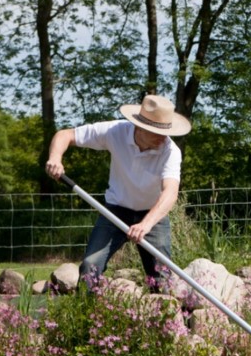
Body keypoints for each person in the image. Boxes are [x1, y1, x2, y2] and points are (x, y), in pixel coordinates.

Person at [45, 94, 192, 292]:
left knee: (162, 280)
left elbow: (170, 193)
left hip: (152, 216)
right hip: (115, 212)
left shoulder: (170, 151)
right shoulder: (115, 131)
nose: (163, 137)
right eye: (157, 132)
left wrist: (145, 224)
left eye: (166, 131)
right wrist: (55, 158)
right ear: (141, 127)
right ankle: (89, 317)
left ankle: (163, 322)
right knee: (90, 267)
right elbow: (65, 135)